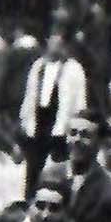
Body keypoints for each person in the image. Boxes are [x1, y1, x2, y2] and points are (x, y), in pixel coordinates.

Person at [18, 36, 89, 196]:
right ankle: (29, 196)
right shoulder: (39, 65)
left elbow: (79, 100)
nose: (55, 48)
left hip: (59, 123)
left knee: (58, 166)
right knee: (33, 165)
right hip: (39, 121)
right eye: (52, 43)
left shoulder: (74, 68)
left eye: (60, 44)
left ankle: (58, 195)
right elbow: (30, 94)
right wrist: (25, 119)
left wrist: (75, 124)